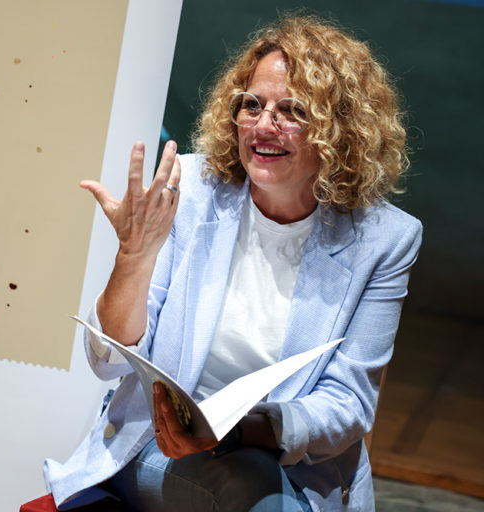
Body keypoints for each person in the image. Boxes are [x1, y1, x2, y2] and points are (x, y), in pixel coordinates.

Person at [42, 14, 422, 512]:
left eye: (292, 110)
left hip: (288, 466)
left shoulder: (384, 239)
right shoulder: (191, 189)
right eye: (252, 105)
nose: (264, 125)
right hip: (159, 446)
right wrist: (132, 258)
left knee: (253, 480)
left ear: (340, 130)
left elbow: (347, 405)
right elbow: (108, 359)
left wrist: (242, 430)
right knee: (245, 485)